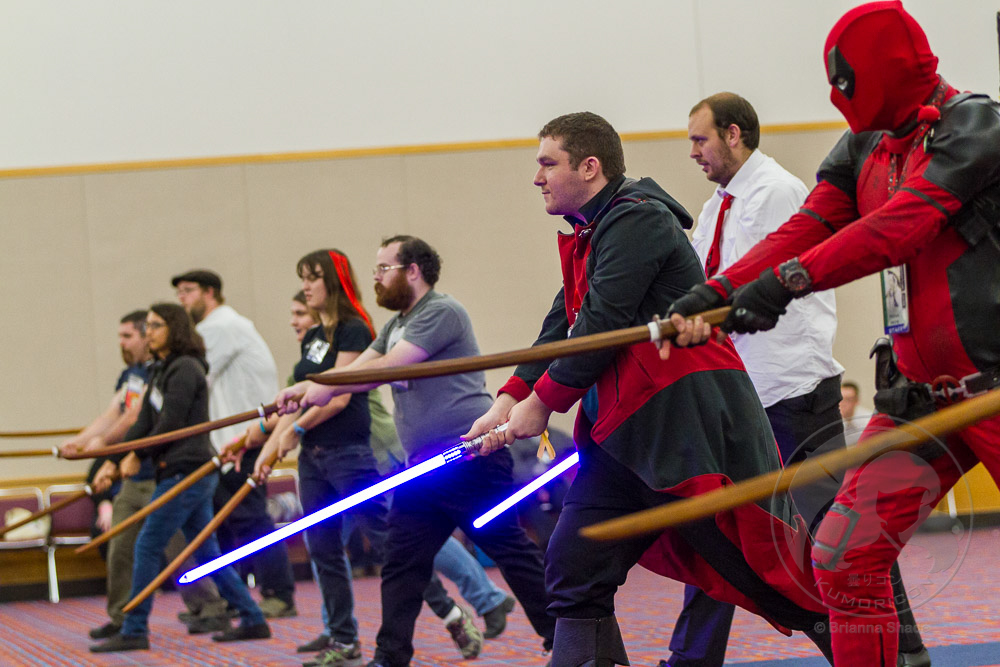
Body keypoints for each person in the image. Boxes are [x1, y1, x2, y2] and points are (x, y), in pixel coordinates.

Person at [665, 3, 997, 663]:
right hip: (921, 398)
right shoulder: (863, 144)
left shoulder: (975, 128)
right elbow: (810, 226)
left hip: (993, 388)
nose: (838, 97)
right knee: (844, 558)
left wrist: (785, 284)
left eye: (845, 82)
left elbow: (897, 229)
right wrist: (720, 291)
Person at [466, 112, 834, 666]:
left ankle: (875, 652)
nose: (537, 177)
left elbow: (601, 326)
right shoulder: (593, 233)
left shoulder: (639, 220)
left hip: (683, 438)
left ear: (589, 167)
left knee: (767, 577)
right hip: (621, 442)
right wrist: (508, 400)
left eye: (547, 164)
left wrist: (540, 406)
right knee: (575, 567)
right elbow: (561, 326)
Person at [664, 93, 927, 667]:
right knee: (717, 529)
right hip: (738, 393)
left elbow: (767, 279)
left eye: (700, 139)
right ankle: (692, 659)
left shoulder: (778, 191)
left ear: (734, 134)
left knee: (843, 528)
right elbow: (706, 285)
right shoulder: (715, 208)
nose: (693, 152)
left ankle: (904, 649)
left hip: (793, 389)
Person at [270, 237, 556, 667]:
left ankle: (562, 637)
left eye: (384, 268)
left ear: (413, 271)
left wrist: (318, 388)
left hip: (469, 456)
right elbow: (354, 370)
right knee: (402, 562)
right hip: (423, 467)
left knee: (510, 551)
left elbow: (389, 367)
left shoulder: (441, 311)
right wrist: (307, 388)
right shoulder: (395, 325)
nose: (376, 277)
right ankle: (390, 657)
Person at [89, 303, 269, 653]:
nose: (149, 332)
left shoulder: (186, 367)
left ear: (175, 328)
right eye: (148, 326)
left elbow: (170, 423)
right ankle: (252, 618)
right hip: (176, 470)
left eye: (156, 325)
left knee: (147, 544)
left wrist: (137, 455)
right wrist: (113, 460)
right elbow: (144, 422)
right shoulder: (160, 369)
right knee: (207, 552)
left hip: (189, 471)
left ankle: (135, 628)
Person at [66, 310, 225, 640]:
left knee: (181, 548)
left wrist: (109, 450)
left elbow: (140, 420)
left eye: (129, 335)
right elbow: (116, 414)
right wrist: (84, 446)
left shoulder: (176, 369)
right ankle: (123, 617)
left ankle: (210, 608)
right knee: (122, 548)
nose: (122, 343)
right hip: (134, 476)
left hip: (163, 472)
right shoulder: (136, 375)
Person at [172, 269, 297, 623]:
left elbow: (194, 380)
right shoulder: (219, 327)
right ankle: (234, 596)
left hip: (245, 439)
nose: (182, 299)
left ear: (210, 292)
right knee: (226, 524)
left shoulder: (221, 327)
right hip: (230, 442)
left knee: (250, 519)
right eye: (179, 293)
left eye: (189, 290)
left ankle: (279, 593)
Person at [839, 380, 872, 446]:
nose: (843, 404)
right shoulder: (831, 421)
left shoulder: (868, 419)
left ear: (856, 400)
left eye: (848, 400)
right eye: (840, 399)